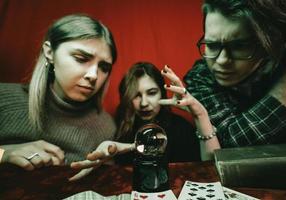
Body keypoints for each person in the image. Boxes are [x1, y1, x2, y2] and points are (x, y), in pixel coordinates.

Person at [160, 0, 286, 160]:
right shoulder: (200, 76)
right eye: (212, 45)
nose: (221, 61)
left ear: (269, 44)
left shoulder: (283, 58)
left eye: (239, 46)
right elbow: (229, 148)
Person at [0, 14, 117, 172]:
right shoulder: (4, 99)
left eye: (104, 67)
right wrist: (3, 154)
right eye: (81, 58)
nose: (94, 75)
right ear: (49, 52)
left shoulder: (105, 127)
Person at [114, 62, 200, 163]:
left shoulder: (181, 129)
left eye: (151, 93)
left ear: (162, 94)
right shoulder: (120, 129)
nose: (144, 103)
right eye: (136, 95)